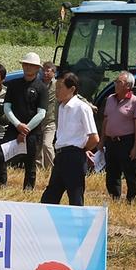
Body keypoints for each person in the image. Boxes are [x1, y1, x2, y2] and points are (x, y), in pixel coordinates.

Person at [40, 73, 99, 206]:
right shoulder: (61, 107)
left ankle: (78, 225)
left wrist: (81, 149)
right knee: (50, 196)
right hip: (60, 156)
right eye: (56, 87)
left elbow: (94, 138)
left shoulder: (82, 108)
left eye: (60, 87)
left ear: (72, 89)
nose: (57, 91)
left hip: (74, 157)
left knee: (75, 196)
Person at [4, 52, 49, 190]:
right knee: (0, 156)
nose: (28, 67)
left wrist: (25, 129)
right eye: (26, 64)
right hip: (13, 128)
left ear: (37, 68)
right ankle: (0, 185)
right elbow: (7, 107)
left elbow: (41, 113)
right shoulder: (13, 85)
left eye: (32, 65)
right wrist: (17, 125)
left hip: (33, 132)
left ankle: (28, 191)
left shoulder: (42, 88)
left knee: (30, 163)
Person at [100, 71, 136, 202]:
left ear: (128, 86)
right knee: (112, 172)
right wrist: (102, 140)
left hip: (126, 141)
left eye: (119, 82)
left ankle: (131, 198)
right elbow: (106, 121)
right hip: (111, 141)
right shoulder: (110, 99)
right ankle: (114, 197)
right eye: (116, 81)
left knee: (129, 171)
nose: (116, 84)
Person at [37, 61, 58, 170]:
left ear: (54, 73)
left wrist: (89, 105)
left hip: (50, 121)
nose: (45, 73)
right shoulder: (38, 84)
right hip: (37, 121)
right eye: (43, 70)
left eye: (47, 71)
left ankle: (53, 169)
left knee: (46, 144)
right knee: (38, 147)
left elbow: (74, 95)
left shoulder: (58, 85)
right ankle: (39, 169)